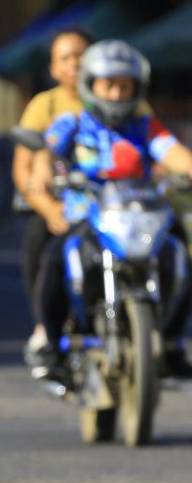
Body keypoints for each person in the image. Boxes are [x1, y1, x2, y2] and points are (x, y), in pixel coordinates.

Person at [26, 40, 192, 382]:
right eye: (109, 85)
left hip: (141, 216)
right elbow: (47, 150)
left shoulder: (146, 127)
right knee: (56, 261)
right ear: (91, 86)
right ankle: (53, 349)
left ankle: (173, 343)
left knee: (179, 253)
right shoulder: (72, 124)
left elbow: (174, 154)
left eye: (125, 86)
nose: (117, 94)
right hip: (88, 217)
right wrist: (43, 169)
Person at [14, 27, 92, 372]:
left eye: (82, 55)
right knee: (39, 243)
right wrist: (50, 210)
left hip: (112, 206)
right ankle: (46, 326)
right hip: (63, 206)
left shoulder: (121, 98)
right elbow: (28, 168)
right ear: (53, 68)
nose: (75, 64)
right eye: (66, 58)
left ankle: (166, 336)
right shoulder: (46, 107)